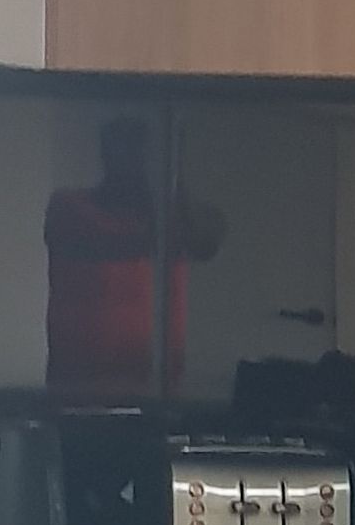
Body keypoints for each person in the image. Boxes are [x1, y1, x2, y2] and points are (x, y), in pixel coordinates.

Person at [44, 116, 224, 395]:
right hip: (80, 388)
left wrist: (175, 183)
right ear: (107, 154)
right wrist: (159, 199)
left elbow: (208, 243)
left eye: (148, 156)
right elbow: (125, 245)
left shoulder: (179, 216)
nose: (138, 165)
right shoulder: (70, 207)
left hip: (160, 388)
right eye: (130, 152)